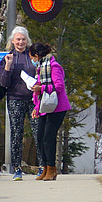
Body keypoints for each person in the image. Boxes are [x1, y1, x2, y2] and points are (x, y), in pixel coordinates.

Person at [0, 26, 38, 181]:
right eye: (18, 39)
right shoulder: (8, 57)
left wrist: (39, 86)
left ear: (27, 40)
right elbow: (3, 82)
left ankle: (43, 167)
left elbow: (42, 74)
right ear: (12, 41)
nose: (20, 42)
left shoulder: (33, 56)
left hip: (33, 99)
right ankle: (16, 168)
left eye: (23, 39)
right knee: (17, 133)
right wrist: (7, 66)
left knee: (37, 131)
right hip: (15, 98)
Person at [28, 42, 71, 182]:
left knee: (48, 137)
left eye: (33, 58)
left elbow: (59, 86)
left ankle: (52, 168)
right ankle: (45, 167)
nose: (33, 61)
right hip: (44, 107)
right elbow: (40, 90)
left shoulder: (53, 66)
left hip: (57, 107)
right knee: (40, 137)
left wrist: (42, 88)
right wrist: (36, 107)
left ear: (37, 55)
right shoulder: (40, 68)